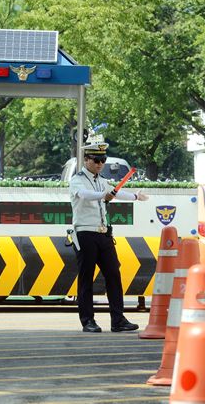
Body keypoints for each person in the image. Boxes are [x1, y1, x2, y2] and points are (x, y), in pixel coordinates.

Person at [69, 142, 149, 333]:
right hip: (85, 233)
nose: (100, 164)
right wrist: (103, 195)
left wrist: (135, 197)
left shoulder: (101, 180)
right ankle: (88, 321)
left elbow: (116, 192)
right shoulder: (77, 180)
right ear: (86, 160)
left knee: (114, 274)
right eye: (96, 160)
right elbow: (85, 195)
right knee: (86, 278)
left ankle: (118, 319)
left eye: (103, 160)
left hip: (104, 234)